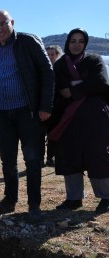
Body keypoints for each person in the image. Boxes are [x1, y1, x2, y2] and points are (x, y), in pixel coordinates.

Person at [0, 10, 55, 222]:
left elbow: (47, 72)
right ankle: (9, 200)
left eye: (2, 24)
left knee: (33, 159)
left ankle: (34, 205)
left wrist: (45, 106)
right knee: (7, 160)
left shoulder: (27, 41)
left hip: (29, 111)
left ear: (11, 22)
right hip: (4, 113)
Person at [48, 28, 109, 213]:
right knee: (69, 155)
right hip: (68, 118)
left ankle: (106, 197)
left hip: (94, 117)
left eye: (80, 41)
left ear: (85, 44)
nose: (76, 44)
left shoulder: (94, 60)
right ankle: (74, 198)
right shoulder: (59, 66)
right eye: (73, 41)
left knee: (97, 154)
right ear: (67, 43)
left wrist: (73, 91)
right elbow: (57, 88)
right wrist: (84, 86)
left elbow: (101, 83)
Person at [42, 45, 64, 167]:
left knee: (54, 134)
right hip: (43, 107)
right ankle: (40, 160)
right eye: (48, 54)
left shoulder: (61, 70)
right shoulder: (42, 69)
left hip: (57, 108)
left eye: (52, 54)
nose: (50, 57)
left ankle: (50, 157)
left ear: (57, 55)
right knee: (40, 135)